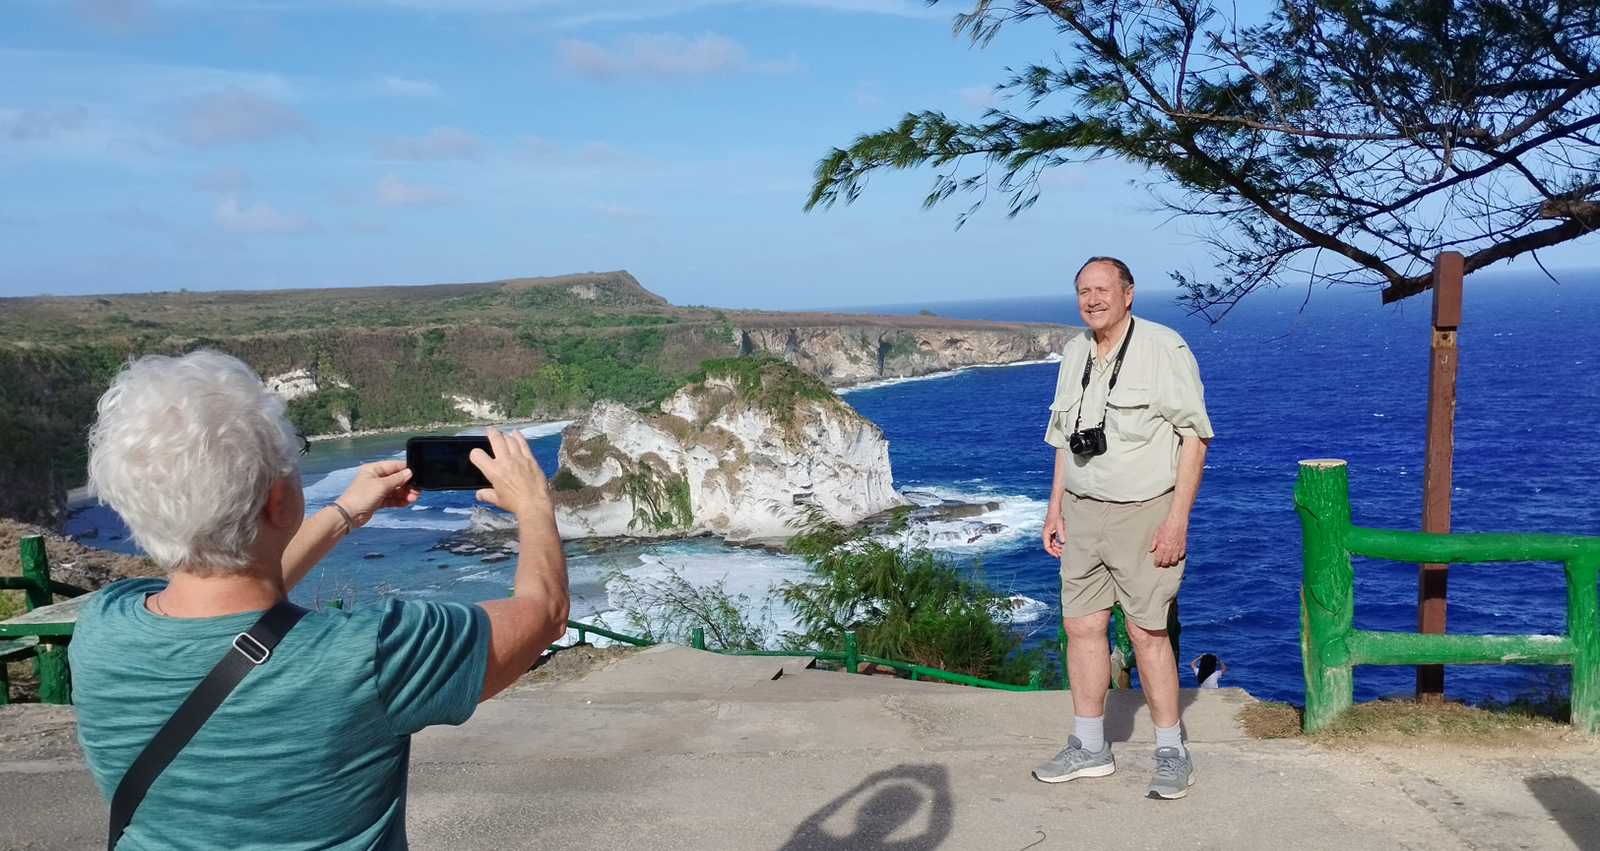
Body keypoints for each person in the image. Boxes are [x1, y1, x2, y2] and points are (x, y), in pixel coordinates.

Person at [70, 350, 570, 849]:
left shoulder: (99, 627)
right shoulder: (372, 655)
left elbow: (235, 594)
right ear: (278, 500)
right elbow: (545, 612)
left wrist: (345, 512)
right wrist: (533, 504)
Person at [1031, 257, 1213, 800]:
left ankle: (1170, 750)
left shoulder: (1164, 348)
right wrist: (1054, 507)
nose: (1092, 299)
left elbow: (1194, 438)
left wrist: (1177, 520)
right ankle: (1089, 746)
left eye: (1102, 289)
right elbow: (1065, 437)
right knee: (1082, 628)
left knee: (1147, 632)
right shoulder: (1073, 352)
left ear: (1128, 294)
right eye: (1083, 291)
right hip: (1083, 512)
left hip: (1144, 511)